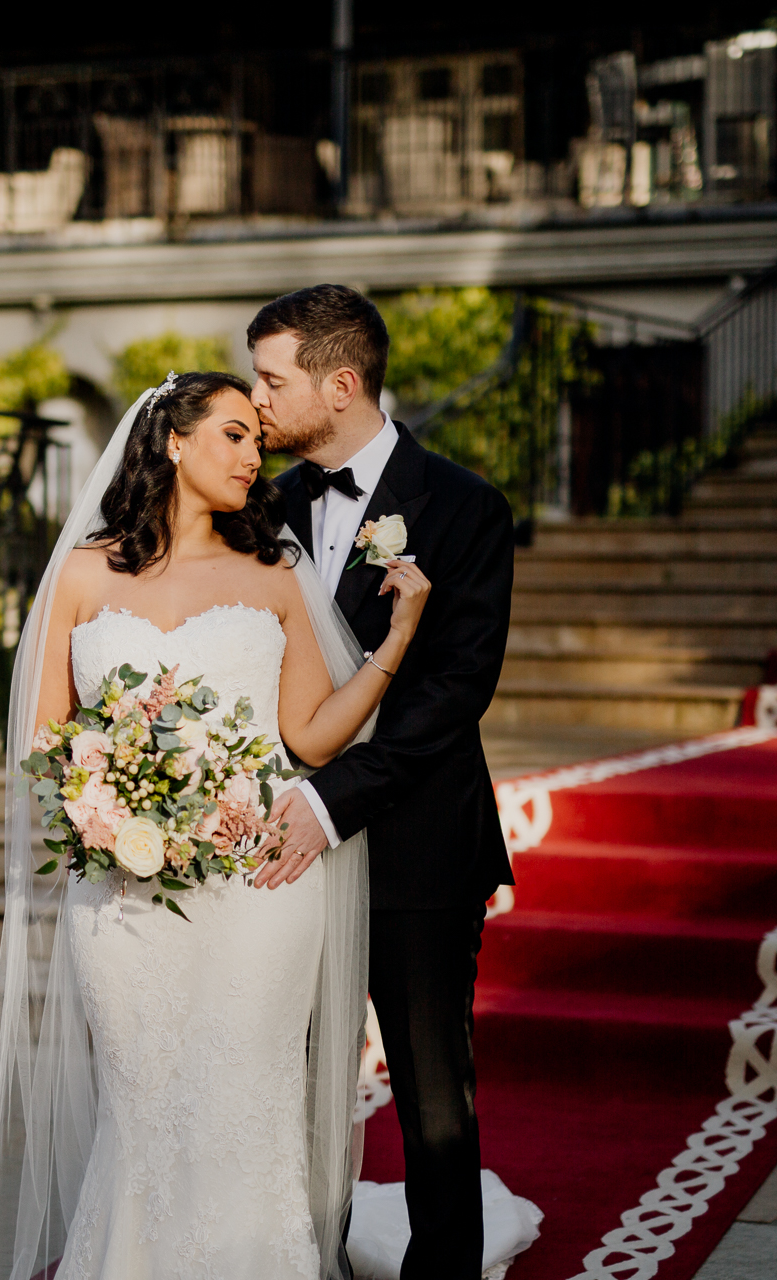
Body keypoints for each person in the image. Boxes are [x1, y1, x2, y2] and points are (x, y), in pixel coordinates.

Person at [0, 369, 431, 1280]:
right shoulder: (80, 572)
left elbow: (307, 734)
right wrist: (98, 807)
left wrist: (395, 643)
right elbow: (44, 741)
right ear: (173, 442)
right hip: (121, 890)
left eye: (257, 438)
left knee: (245, 1096)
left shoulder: (274, 571)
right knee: (143, 1102)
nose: (253, 452)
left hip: (257, 882)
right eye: (232, 433)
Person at [252, 285, 517, 1280]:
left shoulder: (466, 507)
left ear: (341, 383)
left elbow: (451, 695)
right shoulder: (260, 506)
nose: (257, 400)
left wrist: (329, 802)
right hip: (283, 849)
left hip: (419, 842)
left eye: (273, 380)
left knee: (431, 1090)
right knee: (293, 1072)